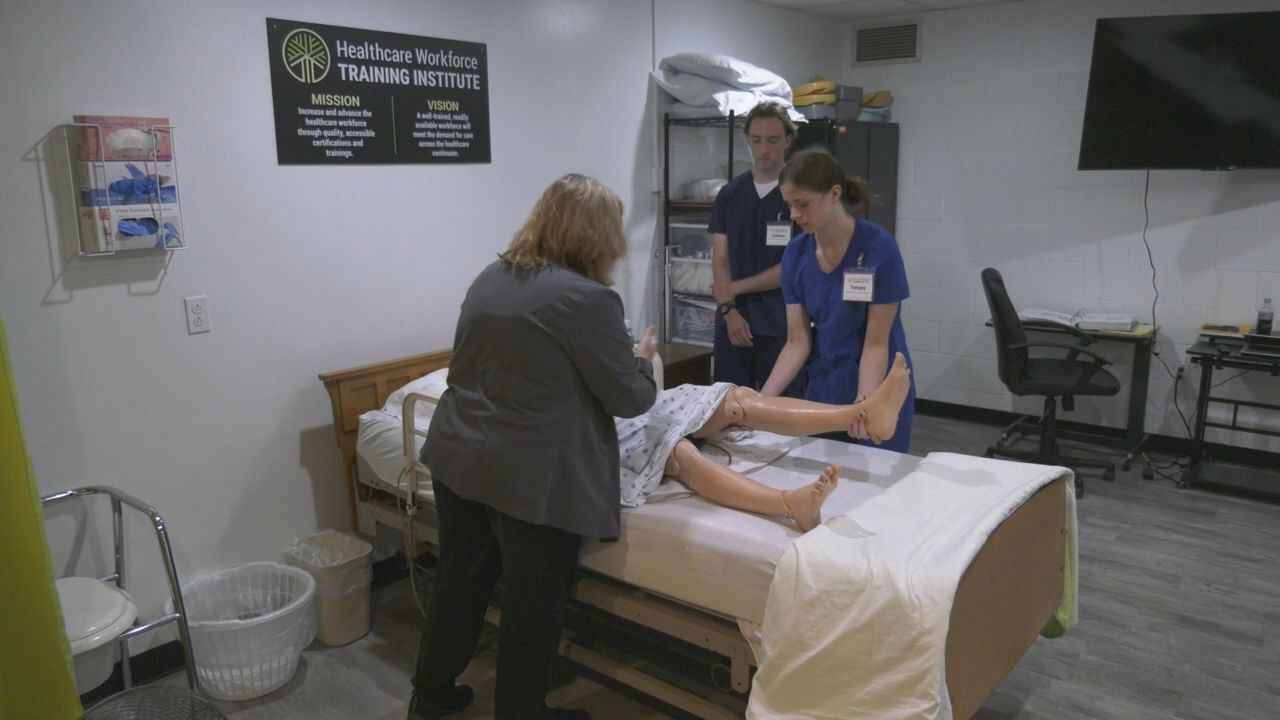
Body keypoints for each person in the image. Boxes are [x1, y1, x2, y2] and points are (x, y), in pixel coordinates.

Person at [409, 174, 658, 720]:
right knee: (532, 605)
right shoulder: (589, 299)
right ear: (598, 235)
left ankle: (430, 693)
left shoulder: (491, 277)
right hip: (529, 476)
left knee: (460, 581)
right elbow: (629, 397)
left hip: (459, 455)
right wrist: (642, 360)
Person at [621, 351, 912, 532]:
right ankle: (791, 504)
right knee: (672, 448)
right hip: (608, 427)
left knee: (736, 401)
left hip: (636, 402)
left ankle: (862, 416)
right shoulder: (596, 302)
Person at [762, 148, 916, 453]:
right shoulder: (795, 254)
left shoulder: (878, 248)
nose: (794, 215)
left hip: (879, 381)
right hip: (828, 381)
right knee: (823, 468)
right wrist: (760, 403)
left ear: (834, 194)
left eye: (802, 204)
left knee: (875, 470)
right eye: (789, 204)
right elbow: (797, 343)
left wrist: (865, 404)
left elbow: (876, 344)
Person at [708, 101, 804, 396]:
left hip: (781, 326)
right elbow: (720, 258)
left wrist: (735, 289)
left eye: (773, 140)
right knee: (729, 408)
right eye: (756, 140)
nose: (764, 149)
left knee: (781, 413)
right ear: (747, 140)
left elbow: (793, 267)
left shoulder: (800, 197)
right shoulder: (730, 194)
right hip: (733, 323)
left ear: (788, 140)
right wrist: (729, 311)